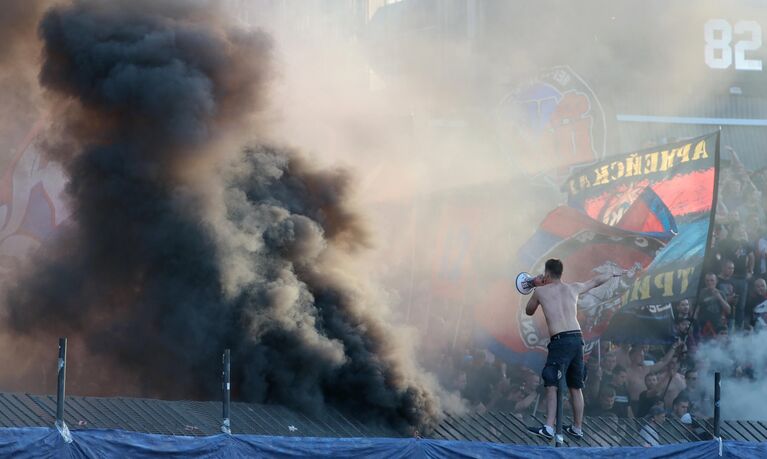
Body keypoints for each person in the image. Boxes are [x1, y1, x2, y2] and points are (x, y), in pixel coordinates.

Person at [524, 258, 621, 440]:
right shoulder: (573, 287)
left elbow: (529, 311)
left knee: (551, 382)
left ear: (546, 273)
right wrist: (612, 273)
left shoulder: (540, 291)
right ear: (561, 273)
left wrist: (533, 284)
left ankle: (549, 427)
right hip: (577, 339)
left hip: (560, 340)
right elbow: (595, 281)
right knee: (576, 386)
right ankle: (577, 428)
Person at [696, 273, 732, 338]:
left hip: (718, 325)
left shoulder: (721, 293)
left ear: (716, 281)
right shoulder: (702, 292)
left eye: (712, 280)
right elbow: (697, 309)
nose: (709, 282)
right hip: (704, 325)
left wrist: (720, 298)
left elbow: (728, 310)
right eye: (707, 280)